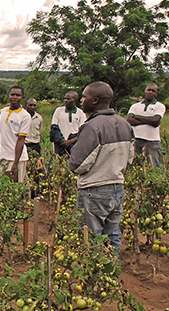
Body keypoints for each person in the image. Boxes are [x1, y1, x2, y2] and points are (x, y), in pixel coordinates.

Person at [69, 81, 133, 252]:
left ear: (95, 100)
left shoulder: (92, 127)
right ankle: (111, 275)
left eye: (84, 96)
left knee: (92, 238)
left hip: (94, 190)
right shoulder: (125, 124)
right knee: (113, 236)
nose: (81, 100)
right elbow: (130, 158)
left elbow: (77, 165)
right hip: (117, 187)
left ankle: (94, 279)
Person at [0, 86, 32, 183]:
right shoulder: (4, 111)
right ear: (9, 96)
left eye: (18, 95)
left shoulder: (25, 116)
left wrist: (15, 163)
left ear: (22, 97)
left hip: (16, 159)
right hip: (2, 157)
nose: (15, 97)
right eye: (12, 94)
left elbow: (21, 140)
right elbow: (0, 133)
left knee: (16, 188)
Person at [127, 83, 165, 167]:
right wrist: (149, 120)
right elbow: (130, 121)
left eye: (153, 91)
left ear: (156, 93)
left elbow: (156, 121)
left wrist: (137, 116)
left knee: (154, 166)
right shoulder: (135, 106)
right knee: (135, 165)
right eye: (149, 90)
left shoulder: (160, 106)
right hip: (136, 139)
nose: (150, 92)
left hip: (152, 141)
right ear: (145, 90)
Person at [50, 91, 86, 156]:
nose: (66, 101)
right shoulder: (59, 111)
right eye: (65, 99)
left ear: (74, 100)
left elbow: (83, 132)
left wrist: (70, 142)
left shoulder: (81, 113)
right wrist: (61, 141)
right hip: (60, 143)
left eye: (68, 99)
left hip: (74, 144)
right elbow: (54, 127)